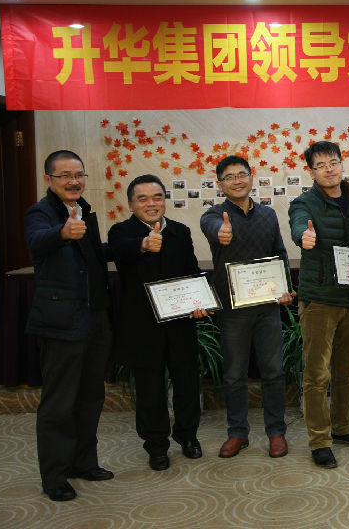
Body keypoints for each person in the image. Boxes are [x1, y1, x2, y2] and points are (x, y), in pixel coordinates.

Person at [24, 150, 114, 501]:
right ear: (49, 179)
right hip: (61, 321)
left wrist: (133, 245)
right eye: (65, 176)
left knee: (91, 396)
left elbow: (93, 256)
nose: (74, 181)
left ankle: (83, 462)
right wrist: (62, 232)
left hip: (94, 318)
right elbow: (37, 241)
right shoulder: (40, 213)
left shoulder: (83, 210)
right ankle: (55, 476)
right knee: (59, 403)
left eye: (78, 175)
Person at [289, 141, 349, 470]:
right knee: (317, 375)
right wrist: (304, 237)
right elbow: (299, 225)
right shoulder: (303, 203)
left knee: (346, 370)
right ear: (311, 172)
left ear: (342, 164)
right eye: (321, 165)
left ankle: (343, 428)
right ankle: (320, 441)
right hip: (319, 300)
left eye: (334, 162)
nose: (329, 169)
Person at [108, 175, 208, 471]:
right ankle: (156, 446)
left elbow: (191, 271)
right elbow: (119, 251)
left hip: (180, 323)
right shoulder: (120, 232)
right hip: (143, 327)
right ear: (131, 204)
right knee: (150, 390)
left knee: (187, 383)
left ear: (164, 200)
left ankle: (187, 436)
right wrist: (143, 244)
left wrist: (198, 302)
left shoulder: (180, 231)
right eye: (143, 199)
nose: (151, 204)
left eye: (157, 197)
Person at [200, 155, 294, 460]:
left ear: (251, 177)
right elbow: (212, 227)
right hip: (233, 311)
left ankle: (276, 431)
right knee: (234, 375)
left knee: (274, 372)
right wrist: (221, 232)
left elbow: (279, 253)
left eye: (241, 174)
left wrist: (285, 288)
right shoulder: (213, 215)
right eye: (229, 177)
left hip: (267, 308)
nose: (236, 181)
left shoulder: (268, 215)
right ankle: (237, 432)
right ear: (220, 185)